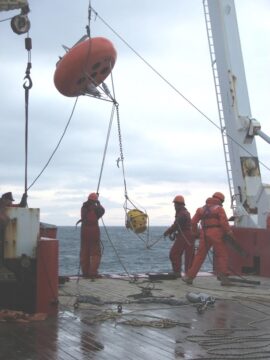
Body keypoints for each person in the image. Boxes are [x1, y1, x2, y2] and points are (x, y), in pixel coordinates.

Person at [182, 191, 233, 286]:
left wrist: (195, 233)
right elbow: (224, 223)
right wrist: (229, 233)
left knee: (199, 256)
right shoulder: (219, 209)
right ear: (221, 200)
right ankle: (224, 279)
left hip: (204, 234)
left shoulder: (201, 209)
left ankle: (189, 277)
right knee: (222, 255)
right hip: (217, 234)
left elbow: (193, 222)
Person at [163, 195, 194, 277]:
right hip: (186, 236)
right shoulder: (183, 213)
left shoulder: (182, 214)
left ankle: (177, 272)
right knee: (187, 256)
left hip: (184, 236)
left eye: (175, 204)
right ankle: (187, 273)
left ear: (178, 204)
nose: (174, 206)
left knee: (174, 253)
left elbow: (176, 225)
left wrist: (168, 232)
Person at [79, 192, 105, 279]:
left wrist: (96, 201)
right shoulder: (96, 208)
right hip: (93, 232)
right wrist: (99, 203)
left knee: (84, 252)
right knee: (95, 253)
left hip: (84, 232)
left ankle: (85, 272)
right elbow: (102, 211)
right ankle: (93, 273)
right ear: (95, 200)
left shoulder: (83, 207)